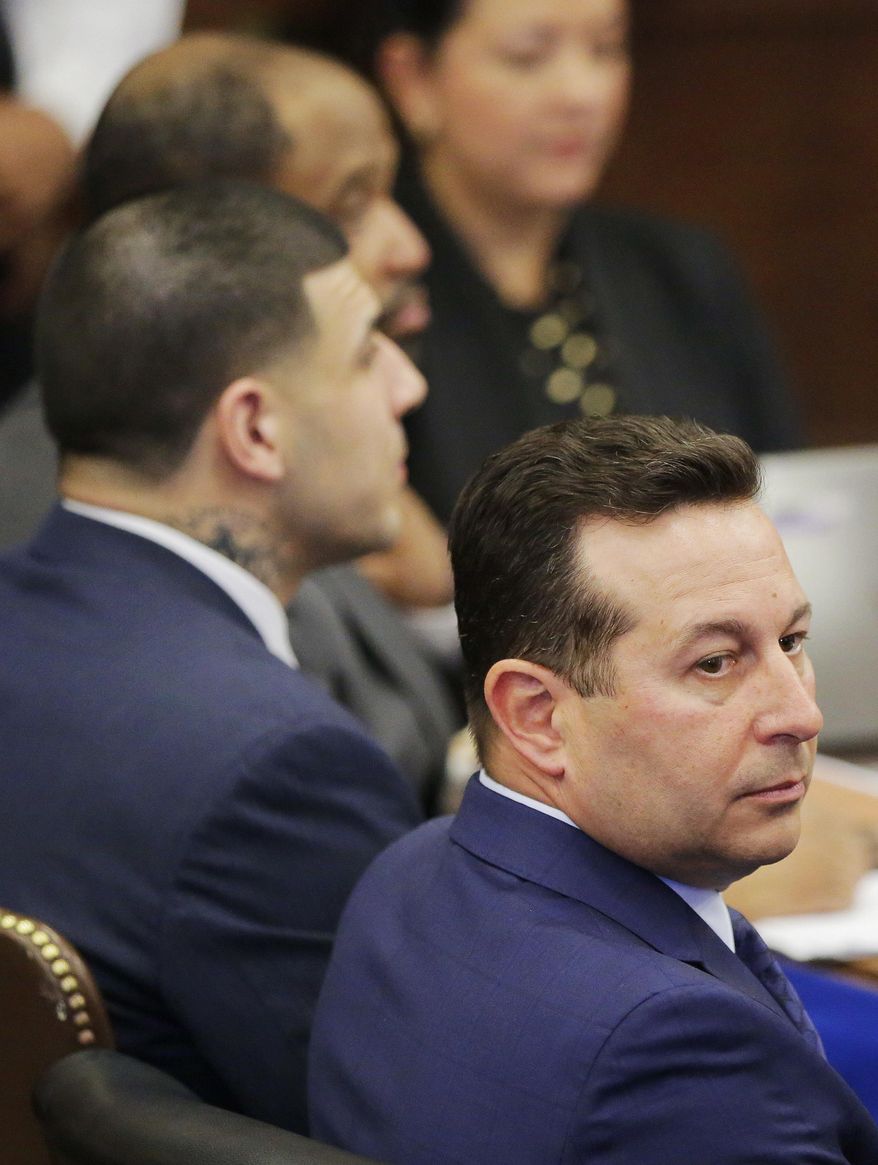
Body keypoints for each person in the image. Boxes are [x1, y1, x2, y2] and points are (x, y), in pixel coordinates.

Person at [308, 415, 878, 1163]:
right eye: (715, 663)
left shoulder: (406, 874)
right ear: (538, 715)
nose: (801, 714)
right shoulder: (683, 1056)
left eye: (791, 642)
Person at [0, 181, 425, 1134]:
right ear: (255, 429)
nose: (408, 384)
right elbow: (404, 1128)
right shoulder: (282, 772)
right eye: (366, 355)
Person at [0, 33, 461, 807]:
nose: (405, 242)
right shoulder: (101, 507)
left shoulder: (315, 451)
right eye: (350, 202)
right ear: (201, 237)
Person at [362, 0, 803, 526]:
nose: (581, 94)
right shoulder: (367, 287)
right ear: (414, 79)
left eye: (606, 49)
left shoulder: (683, 269)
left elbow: (787, 500)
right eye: (528, 57)